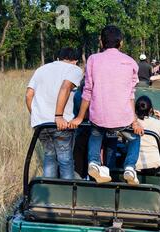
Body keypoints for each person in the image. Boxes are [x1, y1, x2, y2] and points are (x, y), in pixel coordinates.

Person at [70, 25, 144, 185]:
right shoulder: (131, 62)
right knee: (134, 138)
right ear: (121, 43)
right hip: (123, 119)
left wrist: (80, 117)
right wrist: (134, 121)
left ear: (101, 42)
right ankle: (130, 167)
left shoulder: (93, 60)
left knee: (95, 134)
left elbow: (87, 91)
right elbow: (130, 95)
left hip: (99, 118)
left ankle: (94, 162)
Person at [26, 47, 83, 180]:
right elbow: (66, 87)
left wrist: (36, 115)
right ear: (75, 61)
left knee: (49, 157)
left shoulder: (41, 69)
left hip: (40, 124)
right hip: (61, 123)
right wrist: (59, 116)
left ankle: (50, 193)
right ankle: (67, 194)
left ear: (58, 58)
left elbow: (29, 95)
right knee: (65, 159)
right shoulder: (74, 69)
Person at [135, 96, 160, 171]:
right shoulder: (158, 123)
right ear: (151, 110)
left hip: (136, 164)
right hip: (155, 164)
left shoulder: (132, 124)